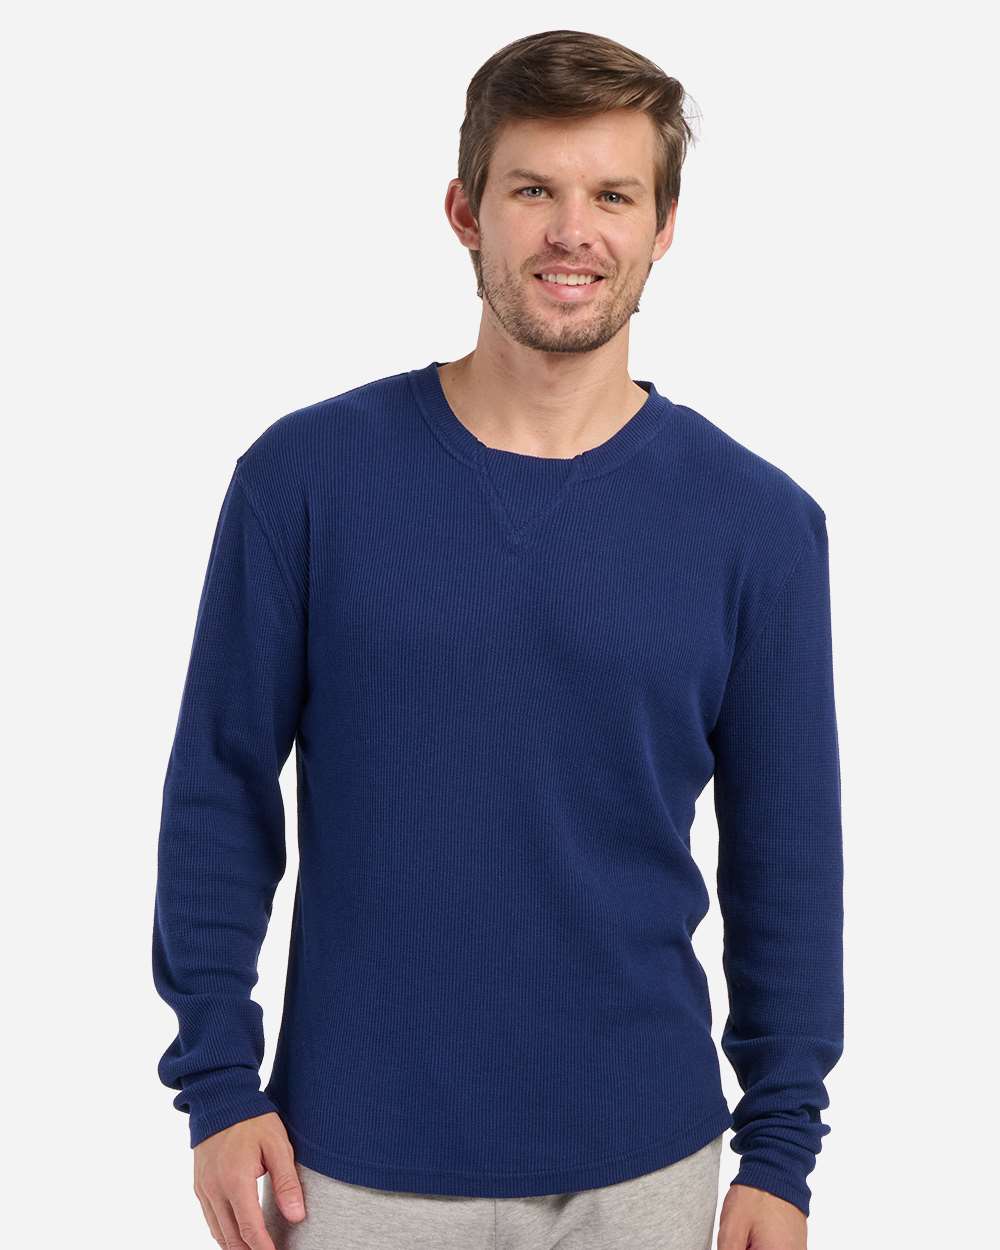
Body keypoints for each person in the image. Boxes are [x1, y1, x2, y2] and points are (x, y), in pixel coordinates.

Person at [152, 28, 844, 1250]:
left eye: (613, 195)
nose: (573, 232)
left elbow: (785, 861)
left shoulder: (757, 524)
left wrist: (780, 1151)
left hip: (649, 1162)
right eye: (534, 190)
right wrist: (216, 1081)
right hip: (352, 1159)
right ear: (465, 211)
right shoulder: (305, 481)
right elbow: (217, 787)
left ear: (663, 227)